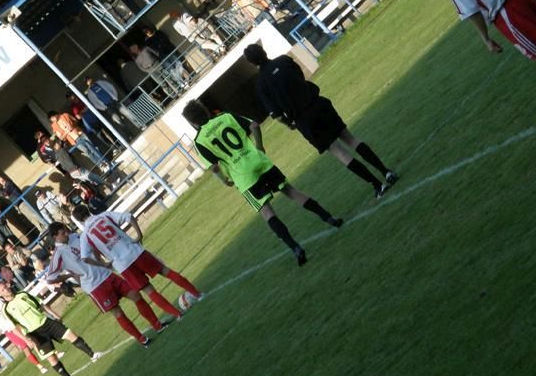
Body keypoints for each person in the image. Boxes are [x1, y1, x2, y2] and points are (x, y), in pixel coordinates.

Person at [182, 100, 343, 266]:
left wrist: (224, 181)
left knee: (267, 212)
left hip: (244, 177)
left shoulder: (199, 142)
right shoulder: (226, 117)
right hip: (260, 162)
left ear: (192, 122)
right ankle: (329, 218)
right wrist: (259, 147)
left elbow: (214, 167)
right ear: (205, 110)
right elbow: (254, 126)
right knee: (291, 191)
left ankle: (295, 248)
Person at [244, 44, 397, 199]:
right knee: (350, 139)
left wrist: (288, 123)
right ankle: (386, 172)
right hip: (318, 104)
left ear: (251, 63)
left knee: (339, 152)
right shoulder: (284, 60)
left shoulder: (261, 85)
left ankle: (377, 185)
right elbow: (300, 76)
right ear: (264, 51)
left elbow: (277, 115)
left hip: (303, 119)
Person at [47, 223, 166, 346]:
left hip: (107, 274)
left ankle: (158, 325)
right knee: (118, 313)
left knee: (136, 295)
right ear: (55, 237)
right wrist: (69, 275)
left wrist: (99, 259)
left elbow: (92, 246)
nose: (66, 233)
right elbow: (50, 279)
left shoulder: (76, 237)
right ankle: (142, 340)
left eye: (66, 230)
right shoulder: (58, 254)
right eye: (63, 233)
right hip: (94, 286)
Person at [75, 205, 199, 318]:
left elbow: (85, 258)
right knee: (165, 271)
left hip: (123, 265)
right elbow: (129, 217)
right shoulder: (105, 216)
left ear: (79, 221)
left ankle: (177, 314)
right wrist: (139, 235)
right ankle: (197, 294)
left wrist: (104, 264)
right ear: (88, 209)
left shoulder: (85, 236)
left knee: (149, 290)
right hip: (135, 252)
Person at [0, 281, 101, 376]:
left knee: (71, 335)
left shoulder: (23, 294)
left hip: (46, 322)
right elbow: (14, 329)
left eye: (5, 286)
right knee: (51, 357)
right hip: (35, 333)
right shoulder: (6, 310)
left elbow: (41, 305)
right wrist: (26, 340)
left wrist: (54, 315)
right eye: (3, 290)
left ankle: (93, 355)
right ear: (0, 294)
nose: (6, 289)